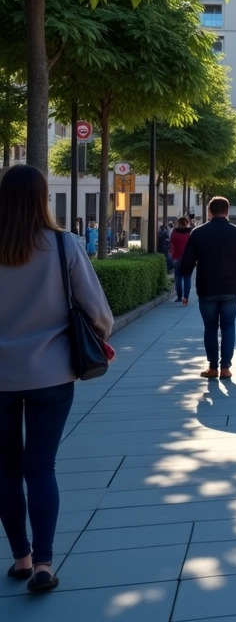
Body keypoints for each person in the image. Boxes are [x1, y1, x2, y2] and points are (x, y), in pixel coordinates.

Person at [0, 165, 114, 593]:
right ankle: (45, 565)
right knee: (40, 467)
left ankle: (21, 559)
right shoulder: (63, 244)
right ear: (43, 198)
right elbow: (97, 309)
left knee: (6, 472)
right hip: (51, 374)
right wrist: (101, 338)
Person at [179, 197, 236, 378]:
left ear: (209, 212)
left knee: (210, 328)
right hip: (231, 288)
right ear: (227, 211)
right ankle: (226, 368)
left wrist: (183, 283)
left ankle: (213, 368)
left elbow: (186, 263)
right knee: (229, 326)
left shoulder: (198, 233)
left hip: (207, 288)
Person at [169, 217, 193, 306]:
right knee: (187, 279)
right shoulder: (191, 233)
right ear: (187, 223)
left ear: (178, 223)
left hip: (177, 258)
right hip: (189, 259)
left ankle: (179, 298)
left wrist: (172, 256)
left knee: (178, 279)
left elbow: (171, 246)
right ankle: (185, 300)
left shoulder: (174, 232)